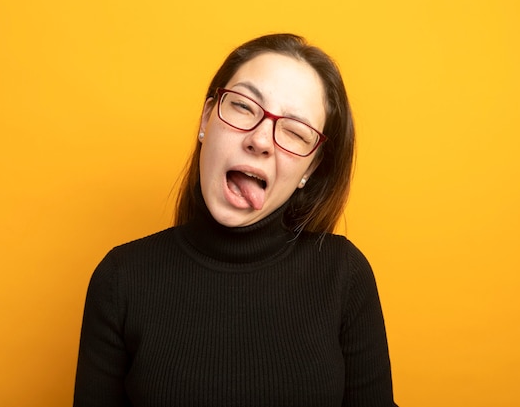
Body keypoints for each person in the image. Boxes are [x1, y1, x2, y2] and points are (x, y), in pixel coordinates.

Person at [73, 33, 398, 407]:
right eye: (244, 107)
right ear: (207, 117)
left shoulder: (344, 275)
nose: (261, 140)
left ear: (312, 167)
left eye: (294, 131)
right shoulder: (121, 279)